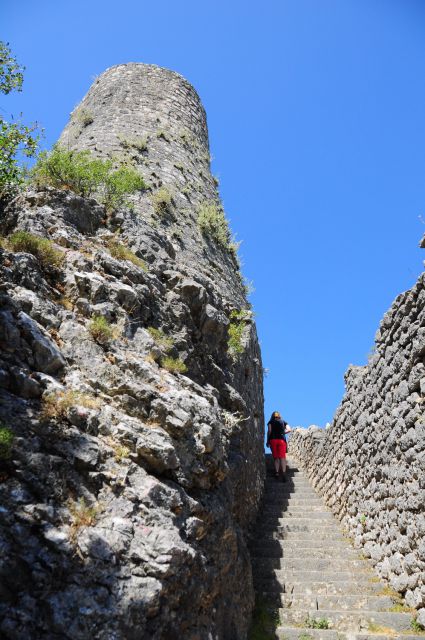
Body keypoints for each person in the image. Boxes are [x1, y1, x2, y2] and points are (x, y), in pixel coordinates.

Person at [266, 411, 291, 481]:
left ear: (272, 416)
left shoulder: (270, 422)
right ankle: (283, 472)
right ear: (279, 416)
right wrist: (283, 432)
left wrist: (267, 441)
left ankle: (277, 472)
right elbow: (289, 430)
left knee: (276, 458)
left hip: (273, 440)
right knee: (282, 457)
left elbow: (269, 431)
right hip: (282, 441)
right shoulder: (283, 422)